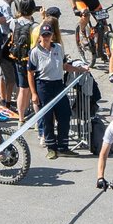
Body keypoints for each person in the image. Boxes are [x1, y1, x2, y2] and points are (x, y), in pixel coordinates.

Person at [29, 23, 72, 159]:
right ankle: (51, 148)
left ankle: (63, 146)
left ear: (52, 35)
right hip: (44, 86)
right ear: (40, 36)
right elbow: (30, 72)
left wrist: (80, 69)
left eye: (48, 34)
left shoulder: (58, 48)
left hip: (58, 84)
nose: (46, 37)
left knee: (64, 115)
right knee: (47, 118)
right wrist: (34, 93)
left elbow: (64, 65)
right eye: (44, 35)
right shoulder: (35, 52)